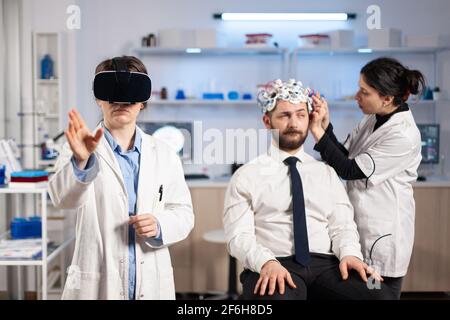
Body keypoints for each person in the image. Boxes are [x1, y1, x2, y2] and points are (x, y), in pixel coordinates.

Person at [223, 79, 391, 300]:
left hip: (328, 264)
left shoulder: (326, 172)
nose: (294, 123)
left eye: (301, 115)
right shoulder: (246, 175)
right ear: (267, 121)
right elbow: (238, 236)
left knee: (380, 294)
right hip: (274, 262)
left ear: (309, 119)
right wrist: (266, 262)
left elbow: (342, 226)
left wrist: (350, 254)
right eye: (284, 115)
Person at [49, 56, 194, 300]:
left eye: (131, 94)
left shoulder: (165, 154)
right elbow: (62, 200)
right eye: (111, 93)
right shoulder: (76, 150)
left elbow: (184, 213)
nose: (121, 102)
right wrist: (82, 162)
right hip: (96, 282)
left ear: (143, 102)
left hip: (152, 280)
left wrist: (159, 224)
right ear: (98, 98)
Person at [309, 57, 424, 299]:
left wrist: (318, 133)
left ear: (387, 98)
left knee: (380, 296)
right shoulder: (373, 118)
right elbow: (344, 156)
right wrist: (325, 126)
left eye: (364, 92)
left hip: (382, 232)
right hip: (360, 224)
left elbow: (350, 171)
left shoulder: (403, 134)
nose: (356, 96)